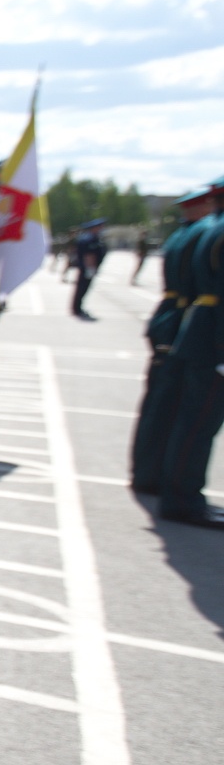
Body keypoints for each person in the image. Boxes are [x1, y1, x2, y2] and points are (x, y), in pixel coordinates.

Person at [132, 183, 217, 494]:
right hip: (193, 323)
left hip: (176, 317)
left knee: (163, 405)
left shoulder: (187, 233)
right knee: (187, 414)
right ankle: (177, 490)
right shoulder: (208, 230)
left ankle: (150, 473)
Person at [157, 175, 224, 528]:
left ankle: (177, 493)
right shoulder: (214, 229)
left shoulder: (209, 228)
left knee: (189, 419)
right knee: (198, 423)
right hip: (211, 336)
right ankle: (183, 499)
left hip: (199, 327)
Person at [71, 219, 107, 319]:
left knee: (82, 289)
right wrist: (90, 269)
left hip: (86, 268)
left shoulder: (90, 238)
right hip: (87, 268)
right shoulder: (90, 239)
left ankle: (77, 308)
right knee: (82, 289)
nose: (101, 229)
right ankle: (77, 309)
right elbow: (89, 255)